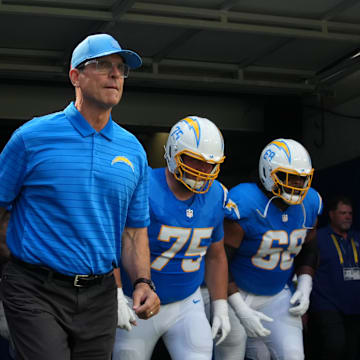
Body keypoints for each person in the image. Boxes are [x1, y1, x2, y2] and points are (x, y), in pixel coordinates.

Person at [0, 33, 160, 360]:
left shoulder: (133, 151)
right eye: (103, 65)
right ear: (76, 76)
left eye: (121, 68)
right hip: (34, 288)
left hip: (100, 295)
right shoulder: (31, 138)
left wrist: (143, 281)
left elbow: (133, 231)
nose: (115, 74)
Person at [113, 116, 232, 360]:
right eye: (196, 161)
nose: (204, 171)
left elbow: (216, 255)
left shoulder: (217, 194)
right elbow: (110, 244)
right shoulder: (143, 184)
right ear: (173, 154)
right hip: (135, 300)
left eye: (210, 164)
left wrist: (220, 304)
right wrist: (115, 292)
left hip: (188, 302)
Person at [218, 138, 322, 360]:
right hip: (237, 292)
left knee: (294, 355)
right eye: (289, 177)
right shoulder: (245, 201)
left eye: (302, 178)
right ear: (268, 173)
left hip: (277, 293)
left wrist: (305, 283)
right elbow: (219, 261)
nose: (297, 184)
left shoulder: (310, 202)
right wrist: (238, 306)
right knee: (232, 354)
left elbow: (310, 248)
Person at [307, 195, 360, 360]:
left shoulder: (356, 237)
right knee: (335, 345)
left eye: (350, 213)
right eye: (343, 213)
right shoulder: (318, 238)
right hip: (327, 304)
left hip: (354, 305)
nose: (348, 217)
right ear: (331, 215)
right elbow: (305, 268)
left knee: (353, 350)